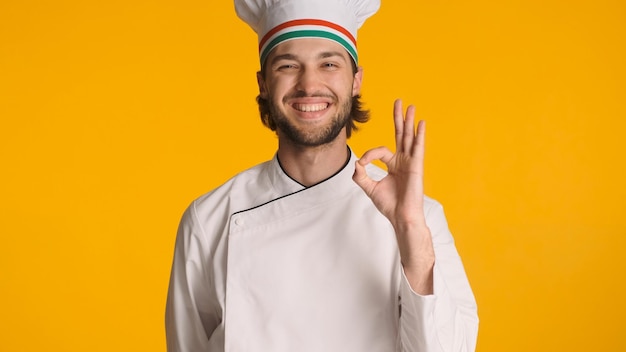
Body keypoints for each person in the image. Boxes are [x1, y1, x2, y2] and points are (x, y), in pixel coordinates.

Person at [165, 0, 478, 350]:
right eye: (287, 65)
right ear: (264, 83)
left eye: (329, 63)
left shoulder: (420, 218)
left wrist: (409, 231)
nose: (309, 84)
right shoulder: (208, 220)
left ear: (356, 80)